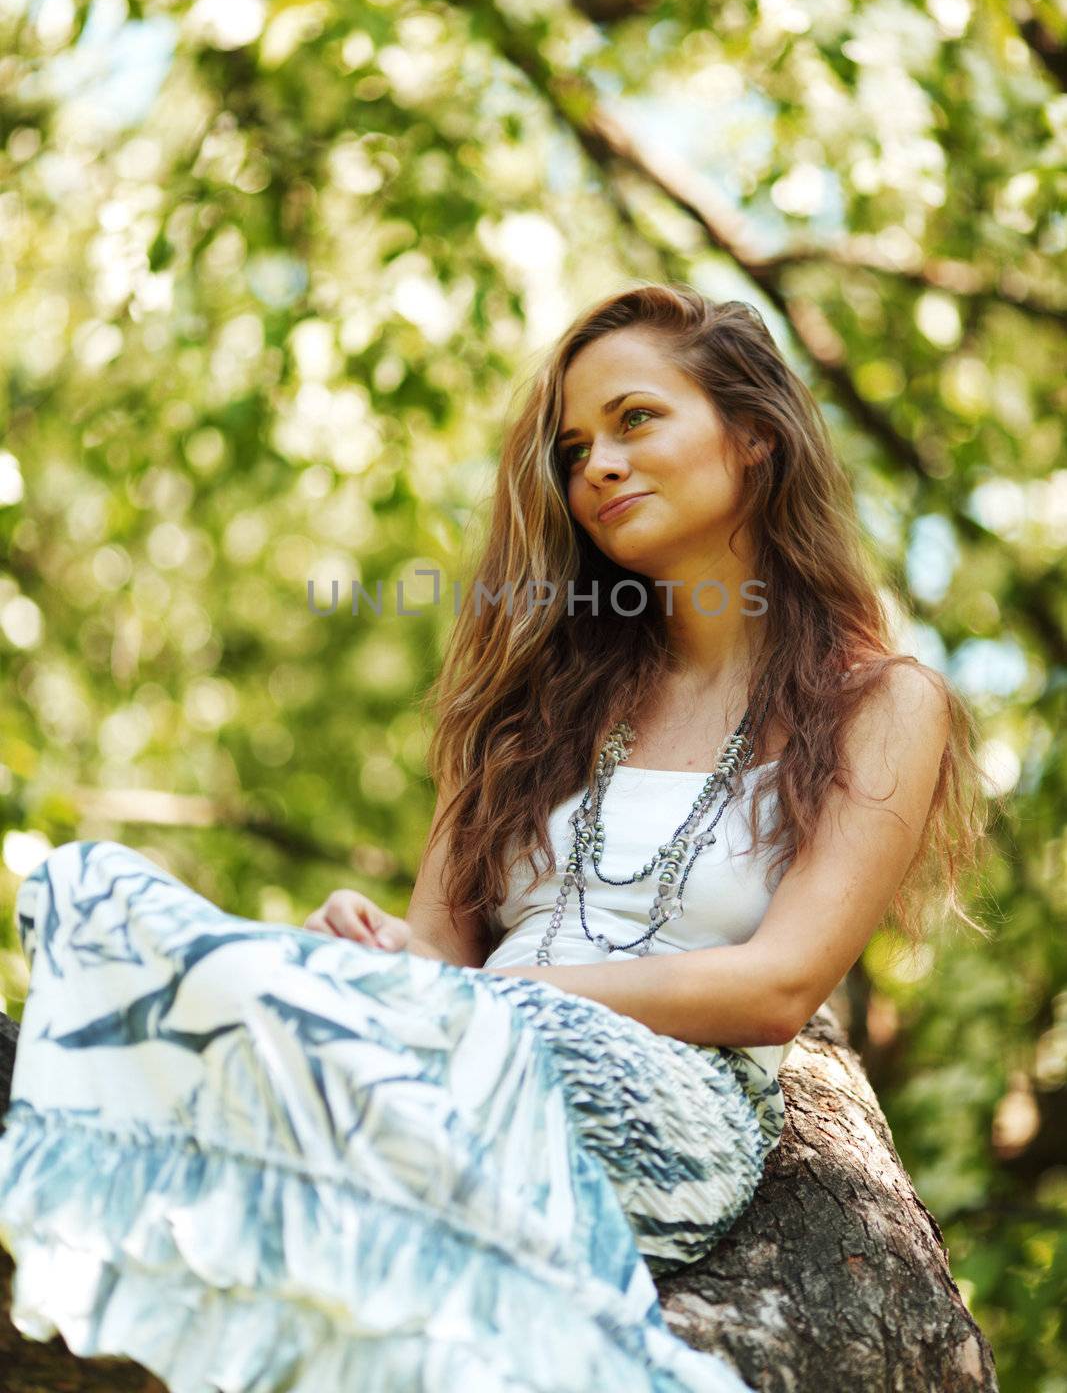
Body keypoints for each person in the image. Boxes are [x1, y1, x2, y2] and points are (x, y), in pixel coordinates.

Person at [0, 282, 990, 1393]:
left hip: (672, 1102)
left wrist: (487, 999)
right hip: (454, 1045)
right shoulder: (536, 702)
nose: (597, 466)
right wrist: (378, 952)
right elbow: (437, 954)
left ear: (750, 435)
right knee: (102, 896)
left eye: (635, 420)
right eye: (573, 449)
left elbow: (776, 985)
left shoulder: (883, 701)